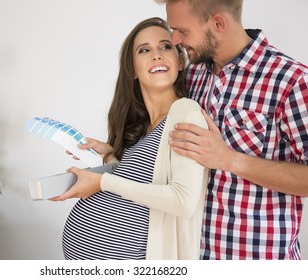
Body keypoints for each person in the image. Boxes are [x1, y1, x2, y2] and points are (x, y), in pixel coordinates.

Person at [154, 0, 308, 259]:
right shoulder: (194, 76)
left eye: (182, 30)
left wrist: (230, 160)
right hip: (192, 257)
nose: (175, 39)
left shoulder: (291, 81)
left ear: (218, 23)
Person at [51, 17, 209, 260]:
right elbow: (143, 181)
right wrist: (108, 156)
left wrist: (101, 182)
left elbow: (183, 200)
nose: (156, 55)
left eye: (165, 46)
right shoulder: (143, 125)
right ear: (133, 69)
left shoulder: (186, 112)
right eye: (144, 50)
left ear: (179, 61)